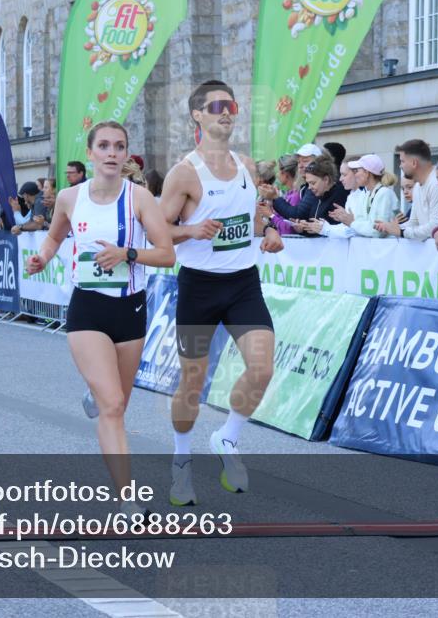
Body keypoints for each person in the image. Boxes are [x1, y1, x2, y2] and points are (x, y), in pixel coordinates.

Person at [25, 121, 174, 518]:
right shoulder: (71, 198)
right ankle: (127, 498)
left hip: (130, 309)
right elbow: (55, 237)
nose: (111, 153)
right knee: (111, 405)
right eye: (104, 146)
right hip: (88, 307)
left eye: (119, 146)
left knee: (117, 404)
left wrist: (127, 254)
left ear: (126, 155)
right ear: (90, 153)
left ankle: (96, 390)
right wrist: (42, 257)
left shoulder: (140, 198)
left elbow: (166, 253)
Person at [160, 79, 283, 506]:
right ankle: (180, 463)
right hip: (199, 287)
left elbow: (251, 217)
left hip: (242, 283)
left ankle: (227, 437)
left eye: (229, 104)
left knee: (262, 368)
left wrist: (267, 231)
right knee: (192, 383)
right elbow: (158, 232)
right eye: (215, 106)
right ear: (197, 115)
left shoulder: (246, 165)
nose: (225, 112)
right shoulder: (184, 173)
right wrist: (190, 229)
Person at [302, 154, 397, 239]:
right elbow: (358, 227)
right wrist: (325, 227)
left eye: (356, 171)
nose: (355, 175)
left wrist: (348, 223)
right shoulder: (369, 194)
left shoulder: (383, 193)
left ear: (367, 173)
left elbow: (377, 231)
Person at [374, 139, 438, 240]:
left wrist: (401, 231)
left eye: (402, 161)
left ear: (414, 163)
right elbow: (414, 222)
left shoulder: (437, 184)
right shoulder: (418, 186)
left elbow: (437, 225)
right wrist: (390, 227)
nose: (400, 165)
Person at [266, 152, 348, 236]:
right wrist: (302, 228)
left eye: (313, 183)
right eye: (308, 183)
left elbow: (345, 230)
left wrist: (323, 229)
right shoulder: (318, 195)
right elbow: (316, 228)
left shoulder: (340, 195)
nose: (309, 187)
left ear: (326, 179)